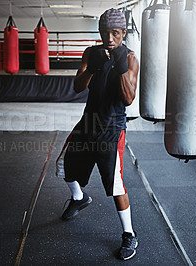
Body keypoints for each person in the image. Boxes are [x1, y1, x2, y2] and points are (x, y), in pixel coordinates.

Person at [56, 8, 139, 261]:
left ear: (123, 33)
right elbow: (78, 86)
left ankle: (129, 234)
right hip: (87, 123)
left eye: (115, 33)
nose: (110, 38)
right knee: (64, 166)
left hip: (112, 128)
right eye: (105, 33)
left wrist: (121, 67)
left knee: (115, 185)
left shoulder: (131, 57)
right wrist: (93, 68)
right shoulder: (91, 53)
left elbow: (128, 99)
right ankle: (79, 198)